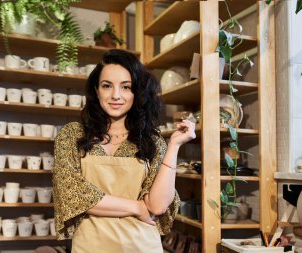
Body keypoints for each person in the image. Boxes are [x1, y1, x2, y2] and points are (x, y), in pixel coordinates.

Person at [53, 49, 196, 252]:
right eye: (107, 86)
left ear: (136, 92)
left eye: (126, 87)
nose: (116, 95)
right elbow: (73, 194)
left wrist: (174, 146)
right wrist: (137, 207)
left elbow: (157, 207)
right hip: (90, 247)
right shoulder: (72, 135)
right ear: (96, 90)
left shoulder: (152, 142)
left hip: (142, 246)